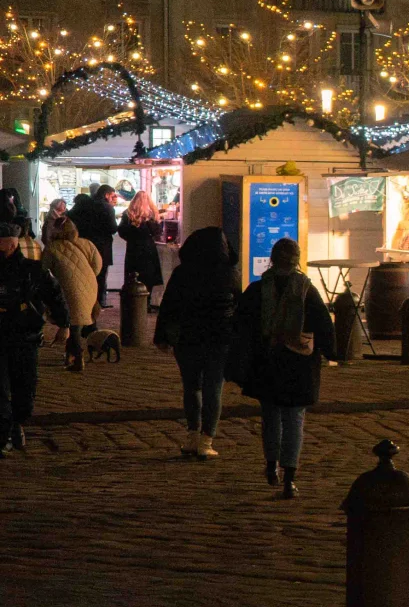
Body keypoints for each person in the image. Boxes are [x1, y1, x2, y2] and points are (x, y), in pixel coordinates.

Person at [231, 238, 336, 498]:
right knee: (294, 419)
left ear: (273, 259)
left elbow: (240, 325)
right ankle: (290, 477)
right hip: (298, 363)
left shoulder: (257, 289)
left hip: (267, 360)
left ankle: (270, 466)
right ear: (296, 260)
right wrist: (332, 353)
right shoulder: (306, 290)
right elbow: (323, 325)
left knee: (271, 416)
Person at [155, 227, 240, 459]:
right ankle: (206, 440)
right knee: (214, 388)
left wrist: (162, 336)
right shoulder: (230, 273)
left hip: (188, 338)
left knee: (192, 387)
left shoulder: (183, 273)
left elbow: (169, 306)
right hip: (219, 339)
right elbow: (239, 308)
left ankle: (192, 435)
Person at [0, 223, 64, 456]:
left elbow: (54, 293)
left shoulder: (31, 270)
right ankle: (4, 433)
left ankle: (17, 424)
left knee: (24, 387)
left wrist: (64, 323)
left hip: (24, 336)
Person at [41, 219, 100, 373]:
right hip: (89, 284)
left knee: (72, 323)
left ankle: (77, 358)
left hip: (67, 287)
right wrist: (86, 276)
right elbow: (97, 264)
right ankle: (70, 355)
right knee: (76, 323)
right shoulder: (86, 243)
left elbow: (43, 270)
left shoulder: (52, 247)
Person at [69, 185, 117, 313]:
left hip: (85, 244)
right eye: (113, 196)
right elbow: (113, 228)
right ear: (106, 195)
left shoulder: (85, 205)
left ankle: (87, 300)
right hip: (103, 245)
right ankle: (99, 302)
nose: (114, 199)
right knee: (101, 274)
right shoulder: (107, 208)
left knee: (86, 272)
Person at [117, 191, 164, 293]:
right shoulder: (151, 214)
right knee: (149, 276)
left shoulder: (128, 213)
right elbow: (157, 231)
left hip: (133, 247)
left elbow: (121, 231)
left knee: (132, 274)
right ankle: (146, 301)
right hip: (148, 247)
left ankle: (133, 301)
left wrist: (130, 238)